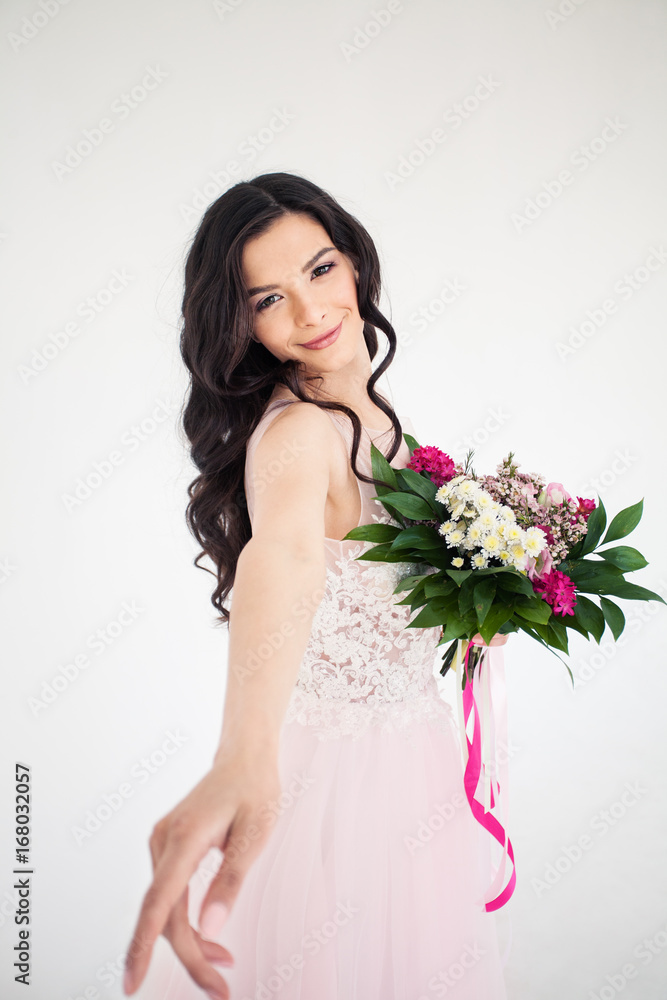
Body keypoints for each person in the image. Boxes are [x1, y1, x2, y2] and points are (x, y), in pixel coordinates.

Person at [122, 171, 508, 999]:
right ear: (241, 325)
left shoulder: (374, 416)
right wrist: (241, 756)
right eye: (267, 300)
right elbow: (285, 559)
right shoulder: (300, 431)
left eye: (320, 270)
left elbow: (364, 582)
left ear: (354, 263)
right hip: (345, 789)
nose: (308, 313)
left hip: (417, 764)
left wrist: (478, 605)